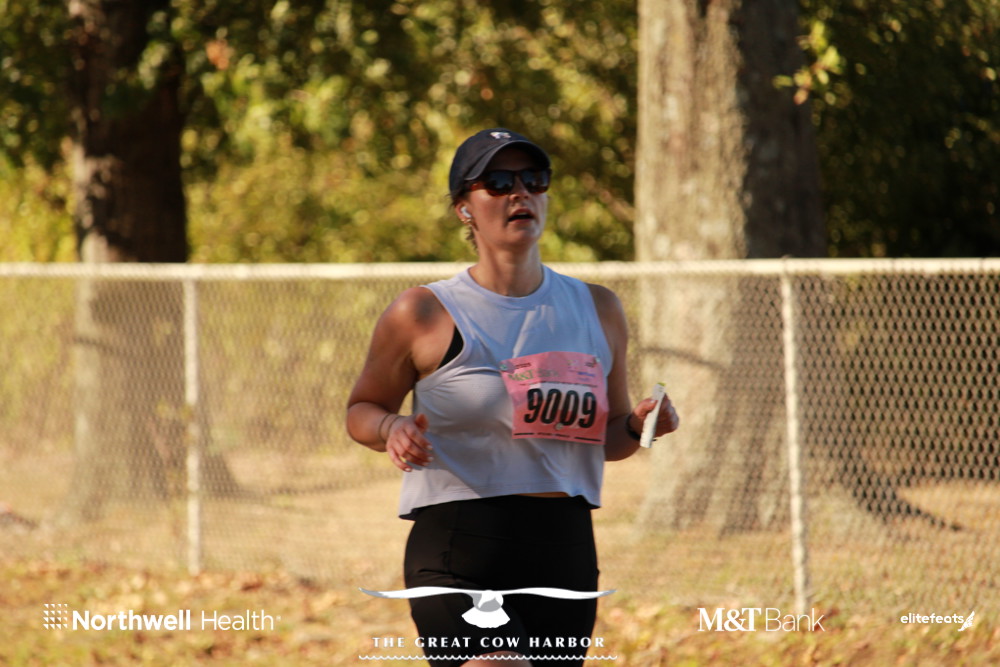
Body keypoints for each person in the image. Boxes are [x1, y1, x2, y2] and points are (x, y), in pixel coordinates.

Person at [346, 128, 679, 667]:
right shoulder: (424, 311)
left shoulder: (598, 308)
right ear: (464, 209)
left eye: (534, 179)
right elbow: (361, 410)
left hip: (564, 548)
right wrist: (391, 428)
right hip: (459, 543)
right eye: (498, 182)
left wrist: (641, 426)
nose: (520, 192)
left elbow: (611, 440)